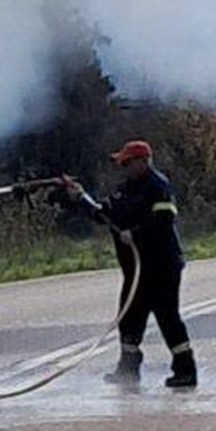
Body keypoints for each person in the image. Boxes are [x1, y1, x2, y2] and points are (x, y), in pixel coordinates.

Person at [62, 140, 197, 388]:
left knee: (167, 318)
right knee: (129, 318)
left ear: (142, 161)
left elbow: (164, 219)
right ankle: (128, 370)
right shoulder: (127, 188)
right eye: (122, 163)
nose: (123, 167)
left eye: (127, 162)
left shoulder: (158, 186)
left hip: (161, 267)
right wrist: (80, 197)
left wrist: (135, 234)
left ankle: (185, 370)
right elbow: (104, 213)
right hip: (136, 270)